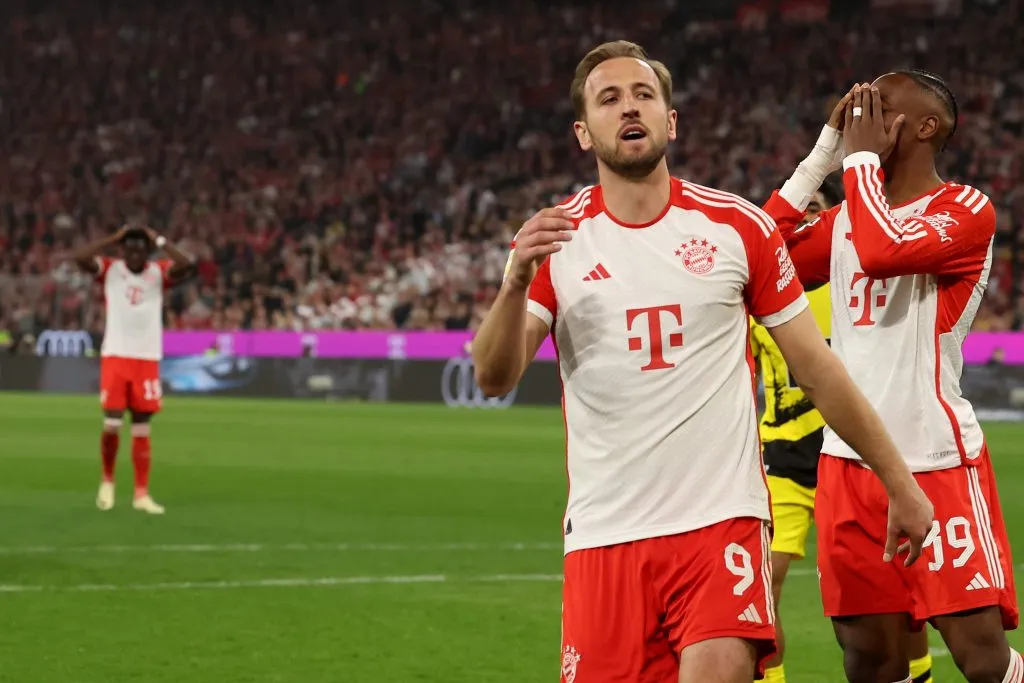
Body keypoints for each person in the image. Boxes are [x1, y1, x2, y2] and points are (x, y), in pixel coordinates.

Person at [471, 40, 934, 683]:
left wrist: (901, 483)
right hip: (605, 538)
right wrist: (514, 280)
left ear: (672, 119)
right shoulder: (554, 241)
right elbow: (494, 377)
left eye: (643, 95)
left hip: (720, 528)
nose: (629, 108)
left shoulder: (736, 228)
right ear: (583, 132)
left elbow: (820, 371)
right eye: (609, 99)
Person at [765, 72, 1020, 683]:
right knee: (871, 661)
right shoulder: (849, 217)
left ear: (925, 127)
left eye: (880, 103)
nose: (862, 109)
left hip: (936, 461)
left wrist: (854, 162)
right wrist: (823, 153)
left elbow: (884, 250)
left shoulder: (965, 208)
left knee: (980, 659)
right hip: (845, 466)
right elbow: (762, 257)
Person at [753, 174, 935, 683]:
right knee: (760, 592)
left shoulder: (858, 288)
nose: (806, 219)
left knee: (897, 598)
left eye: (817, 209)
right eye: (801, 210)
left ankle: (918, 675)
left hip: (859, 463)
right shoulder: (761, 296)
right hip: (785, 459)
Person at [74, 225, 194, 514]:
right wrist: (112, 238)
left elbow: (187, 264)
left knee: (142, 424)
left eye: (142, 247)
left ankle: (141, 494)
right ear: (123, 249)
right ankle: (108, 480)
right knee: (112, 422)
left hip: (146, 356)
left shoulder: (158, 272)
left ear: (147, 250)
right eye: (130, 246)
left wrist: (161, 240)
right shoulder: (110, 269)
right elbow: (80, 257)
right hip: (116, 353)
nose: (136, 252)